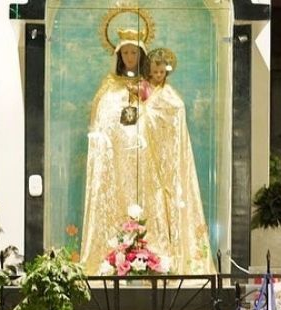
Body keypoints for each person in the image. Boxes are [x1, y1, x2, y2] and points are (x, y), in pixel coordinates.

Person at [79, 32, 214, 275]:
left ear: (141, 55)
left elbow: (172, 109)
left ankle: (153, 254)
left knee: (149, 204)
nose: (130, 57)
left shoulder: (151, 85)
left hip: (147, 161)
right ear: (119, 55)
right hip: (118, 163)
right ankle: (116, 254)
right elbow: (101, 122)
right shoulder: (109, 87)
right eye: (126, 53)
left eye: (134, 53)